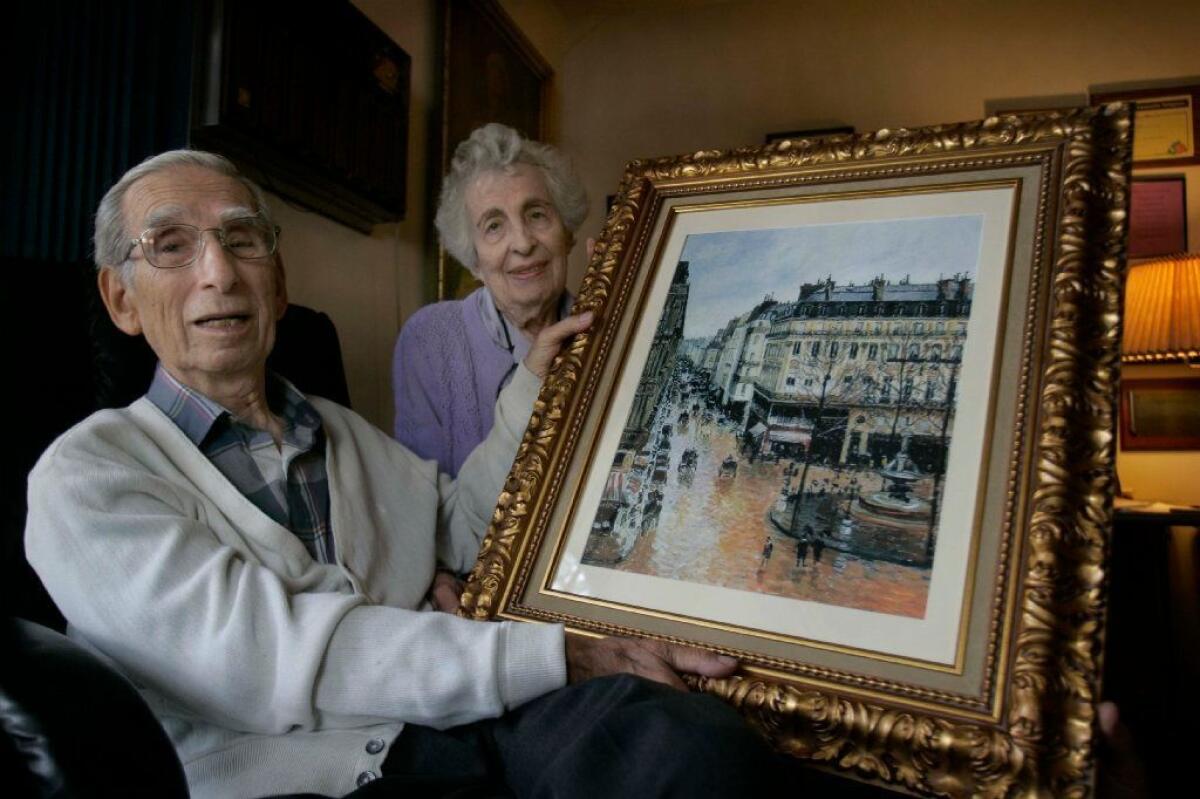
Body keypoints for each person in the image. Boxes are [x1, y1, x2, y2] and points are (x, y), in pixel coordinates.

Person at [24, 150, 778, 799]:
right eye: (172, 246)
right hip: (300, 778)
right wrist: (563, 652)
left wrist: (529, 397)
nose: (218, 272)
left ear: (277, 284)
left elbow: (460, 526)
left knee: (692, 745)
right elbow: (274, 656)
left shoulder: (339, 429)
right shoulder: (87, 475)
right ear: (121, 298)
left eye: (240, 238)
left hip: (455, 719)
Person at [392, 123, 585, 477]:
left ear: (567, 233)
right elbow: (426, 504)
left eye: (537, 214)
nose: (523, 243)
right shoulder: (429, 340)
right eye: (494, 226)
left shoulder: (610, 331)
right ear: (474, 260)